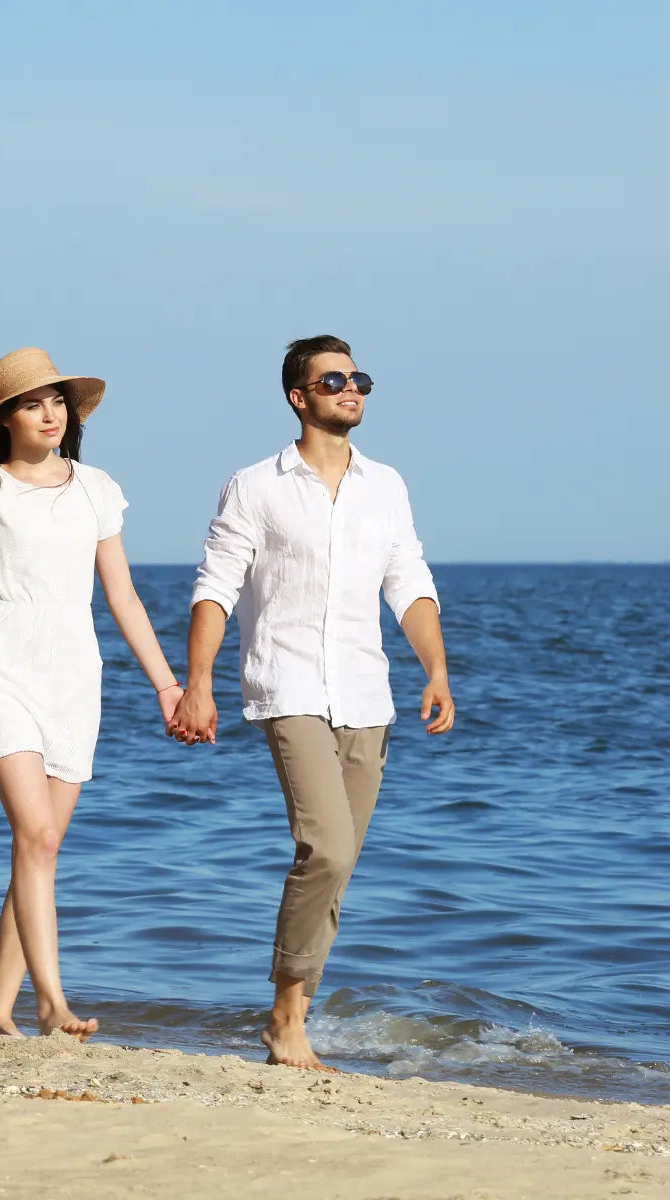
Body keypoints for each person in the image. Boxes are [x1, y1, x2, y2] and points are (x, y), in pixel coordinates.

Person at [168, 334, 454, 1070]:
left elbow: (409, 582)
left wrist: (436, 670)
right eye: (333, 380)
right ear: (300, 397)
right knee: (324, 847)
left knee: (342, 860)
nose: (351, 389)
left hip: (366, 691)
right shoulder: (255, 486)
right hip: (286, 684)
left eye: (358, 377)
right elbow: (216, 585)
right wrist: (197, 683)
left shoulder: (386, 486)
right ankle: (287, 1020)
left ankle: (293, 1012)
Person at [0, 347, 185, 1040]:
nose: (50, 412)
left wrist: (168, 686)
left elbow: (121, 595)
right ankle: (51, 1005)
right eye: (32, 402)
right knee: (35, 833)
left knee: (42, 848)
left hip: (74, 672)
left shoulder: (96, 488)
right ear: (6, 416)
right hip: (1, 663)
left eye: (56, 400)